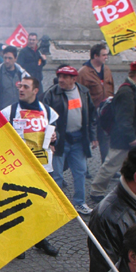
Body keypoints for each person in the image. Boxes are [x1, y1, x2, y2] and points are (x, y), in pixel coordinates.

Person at [1, 76, 59, 256]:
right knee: (17, 205)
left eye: (26, 86)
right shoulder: (8, 112)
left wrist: (54, 140)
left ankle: (40, 240)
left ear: (35, 91)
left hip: (42, 168)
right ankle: (18, 242)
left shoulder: (48, 112)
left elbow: (54, 135)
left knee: (39, 206)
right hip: (18, 168)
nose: (21, 89)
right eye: (20, 86)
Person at [89, 60, 136, 202]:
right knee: (111, 165)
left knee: (130, 167)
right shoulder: (127, 91)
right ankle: (96, 191)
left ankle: (128, 191)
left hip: (135, 138)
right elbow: (124, 118)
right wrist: (131, 138)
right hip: (125, 139)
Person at [43, 65, 98, 215]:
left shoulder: (83, 92)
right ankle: (55, 205)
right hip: (61, 141)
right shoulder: (51, 94)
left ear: (74, 79)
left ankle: (79, 203)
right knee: (57, 174)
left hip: (79, 140)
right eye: (59, 76)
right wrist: (50, 141)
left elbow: (92, 115)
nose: (61, 80)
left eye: (65, 77)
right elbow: (45, 118)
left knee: (80, 172)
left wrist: (93, 136)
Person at [77, 43, 115, 162]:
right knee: (86, 139)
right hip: (90, 112)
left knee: (105, 140)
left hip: (105, 112)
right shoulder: (83, 72)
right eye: (103, 55)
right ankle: (84, 167)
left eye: (106, 55)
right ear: (95, 56)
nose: (106, 57)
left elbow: (111, 87)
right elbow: (79, 93)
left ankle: (106, 166)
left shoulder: (107, 69)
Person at [0, 47, 29, 111]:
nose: (7, 61)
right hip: (2, 114)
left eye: (10, 58)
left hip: (19, 114)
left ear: (15, 59)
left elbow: (30, 94)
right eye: (5, 58)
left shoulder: (22, 74)